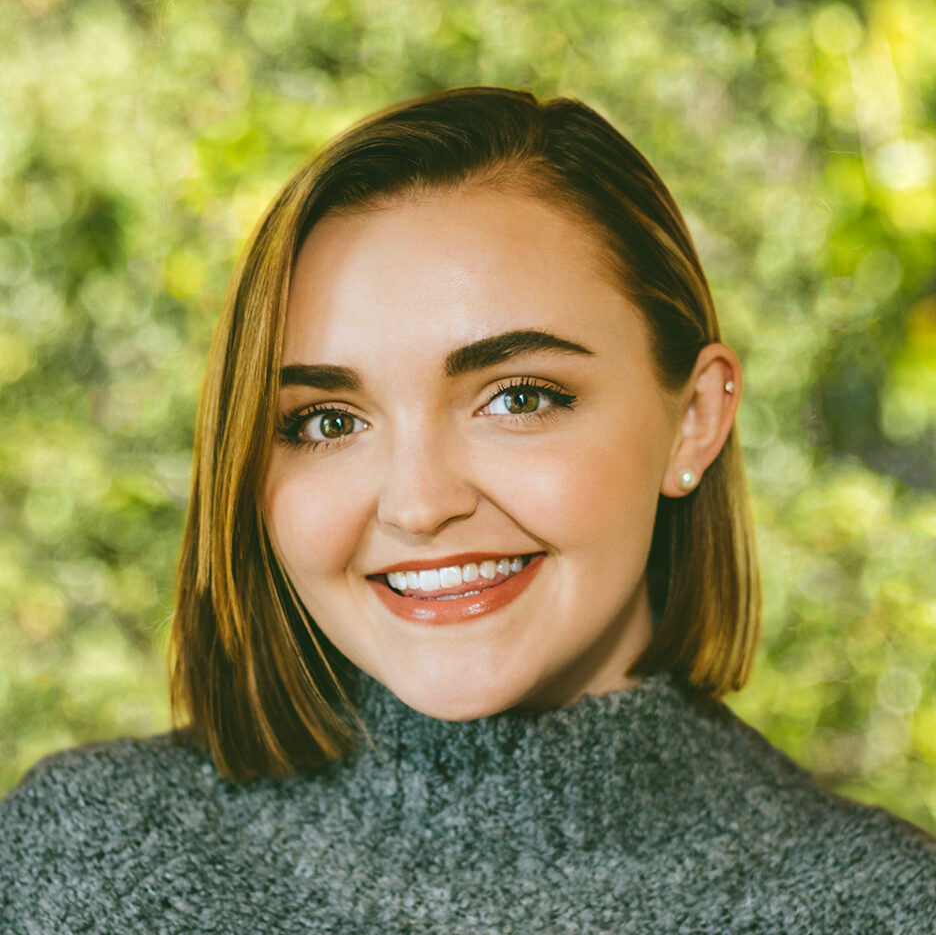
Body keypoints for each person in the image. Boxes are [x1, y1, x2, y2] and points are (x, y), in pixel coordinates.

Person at [1, 86, 934, 933]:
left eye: (519, 398)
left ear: (693, 419)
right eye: (327, 420)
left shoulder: (879, 910)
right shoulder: (76, 862)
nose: (417, 503)